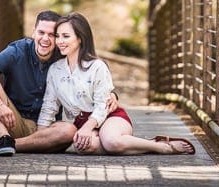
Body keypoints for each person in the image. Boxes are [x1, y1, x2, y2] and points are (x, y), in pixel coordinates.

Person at [37, 12, 196, 155]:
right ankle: (119, 143)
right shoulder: (55, 70)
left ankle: (160, 146)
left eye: (66, 36)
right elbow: (49, 106)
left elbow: (102, 106)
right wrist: (40, 137)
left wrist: (87, 128)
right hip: (82, 122)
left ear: (80, 38)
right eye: (57, 36)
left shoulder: (96, 67)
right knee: (84, 146)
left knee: (112, 142)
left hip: (109, 117)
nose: (59, 41)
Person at [0, 10, 118, 156]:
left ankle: (0, 145)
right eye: (41, 32)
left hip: (47, 131)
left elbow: (94, 70)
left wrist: (112, 94)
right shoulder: (18, 51)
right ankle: (3, 137)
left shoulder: (63, 54)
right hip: (11, 121)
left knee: (69, 130)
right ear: (33, 32)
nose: (45, 38)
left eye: (52, 34)